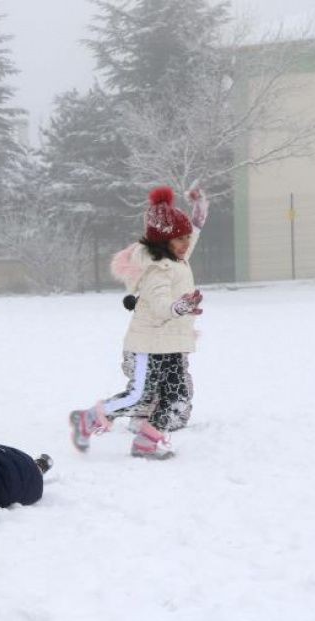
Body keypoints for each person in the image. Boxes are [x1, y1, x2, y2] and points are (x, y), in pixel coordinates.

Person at [69, 185, 208, 459]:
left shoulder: (178, 259)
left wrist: (200, 209)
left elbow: (194, 232)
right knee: (139, 396)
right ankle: (87, 419)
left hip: (172, 345)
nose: (186, 243)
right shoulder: (158, 269)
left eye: (186, 238)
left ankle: (148, 441)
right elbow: (159, 307)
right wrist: (180, 306)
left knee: (177, 396)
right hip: (149, 344)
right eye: (180, 239)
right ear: (163, 241)